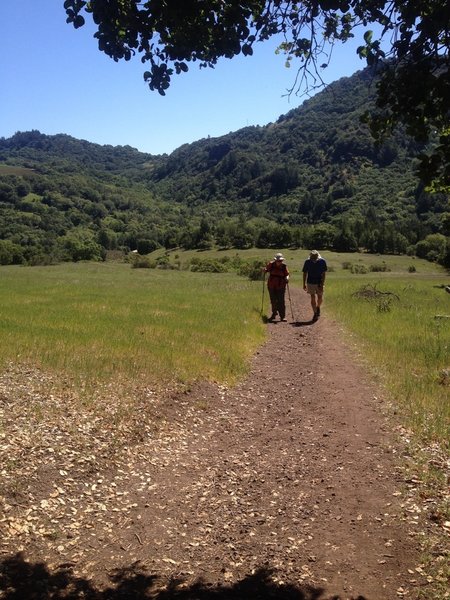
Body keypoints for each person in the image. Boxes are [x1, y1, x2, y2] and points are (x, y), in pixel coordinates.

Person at [302, 250, 327, 321]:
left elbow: (324, 273)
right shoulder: (307, 262)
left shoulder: (322, 261)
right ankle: (315, 313)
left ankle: (318, 307)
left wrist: (322, 284)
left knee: (320, 298)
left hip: (319, 282)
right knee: (312, 297)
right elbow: (305, 273)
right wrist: (304, 284)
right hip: (310, 282)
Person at [264, 253, 289, 322]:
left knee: (281, 301)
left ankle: (283, 316)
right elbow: (266, 269)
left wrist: (287, 278)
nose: (279, 262)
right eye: (278, 261)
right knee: (273, 300)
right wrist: (265, 270)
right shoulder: (271, 264)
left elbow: (287, 274)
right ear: (275, 260)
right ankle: (274, 314)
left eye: (280, 261)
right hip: (271, 285)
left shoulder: (284, 266)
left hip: (281, 285)